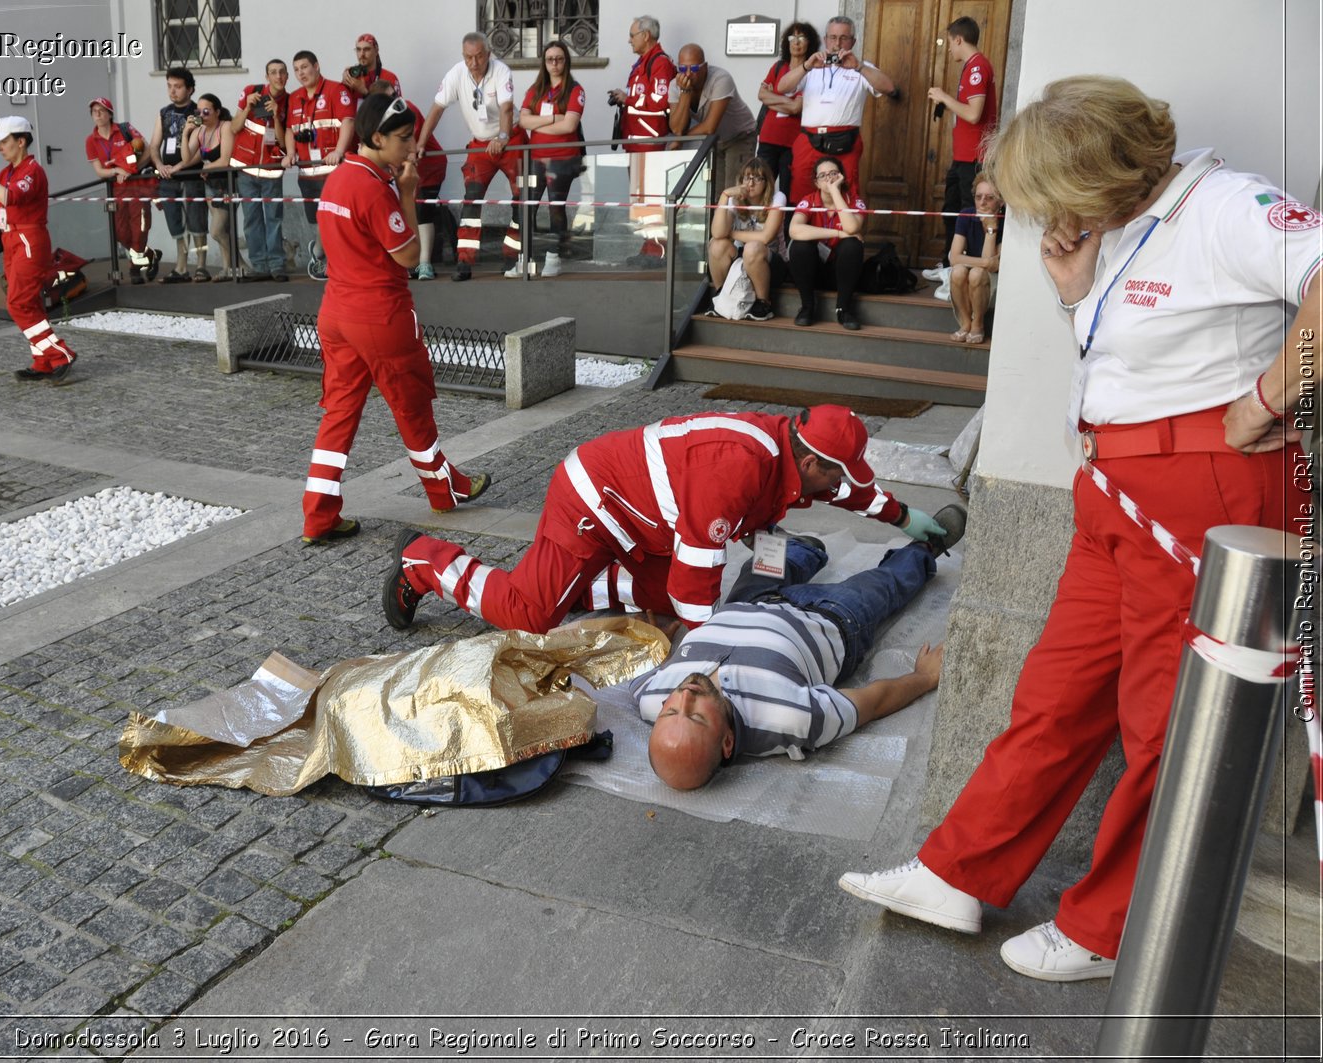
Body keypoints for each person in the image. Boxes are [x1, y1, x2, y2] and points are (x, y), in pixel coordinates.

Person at [840, 76, 1318, 984]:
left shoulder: (1225, 207)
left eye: (1052, 194)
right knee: (1057, 694)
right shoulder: (1123, 229)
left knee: (1162, 722)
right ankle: (960, 869)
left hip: (1199, 494)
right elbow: (1133, 357)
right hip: (1116, 492)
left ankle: (1111, 925)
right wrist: (1071, 291)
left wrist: (1268, 398)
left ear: (1101, 173)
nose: (1045, 215)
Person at [383, 405, 951, 634]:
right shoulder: (737, 468)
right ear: (809, 461)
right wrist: (705, 650)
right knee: (529, 614)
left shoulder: (789, 451)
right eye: (836, 473)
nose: (841, 484)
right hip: (592, 503)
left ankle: (574, 586)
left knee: (657, 595)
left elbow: (846, 489)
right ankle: (426, 561)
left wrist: (903, 516)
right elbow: (696, 577)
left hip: (643, 519)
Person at [638, 515, 964, 790]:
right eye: (696, 715)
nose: (685, 696)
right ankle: (926, 548)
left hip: (747, 600)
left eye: (670, 712)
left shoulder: (651, 697)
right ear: (727, 742)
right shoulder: (792, 720)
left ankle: (802, 549)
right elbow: (871, 702)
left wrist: (649, 636)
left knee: (765, 558)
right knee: (886, 582)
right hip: (831, 616)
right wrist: (924, 677)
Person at [301, 91, 491, 545]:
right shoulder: (372, 186)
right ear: (376, 137)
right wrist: (407, 192)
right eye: (404, 138)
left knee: (339, 413)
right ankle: (443, 489)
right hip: (380, 314)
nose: (411, 147)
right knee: (412, 404)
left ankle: (318, 515)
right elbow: (407, 256)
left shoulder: (339, 178)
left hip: (336, 311)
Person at [0, 116, 77, 381]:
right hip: (11, 241)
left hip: (28, 240)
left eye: (4, 141)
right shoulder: (9, 171)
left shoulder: (32, 170)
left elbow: (9, 197)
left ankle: (60, 354)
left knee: (17, 303)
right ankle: (43, 361)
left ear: (21, 141)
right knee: (30, 302)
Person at [416, 33, 518, 282]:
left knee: (521, 198)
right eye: (469, 57)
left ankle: (513, 257)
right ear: (463, 56)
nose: (474, 63)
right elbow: (436, 109)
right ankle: (464, 260)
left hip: (510, 140)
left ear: (488, 54)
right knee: (471, 200)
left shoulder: (501, 71)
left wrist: (503, 137)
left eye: (479, 56)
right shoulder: (456, 73)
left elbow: (506, 107)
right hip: (479, 145)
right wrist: (420, 143)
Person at [774, 16, 895, 207]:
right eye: (832, 37)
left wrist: (858, 66)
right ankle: (803, 235)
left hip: (844, 141)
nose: (837, 43)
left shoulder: (862, 67)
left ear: (853, 41)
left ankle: (843, 235)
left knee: (846, 193)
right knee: (802, 191)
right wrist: (806, 66)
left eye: (843, 38)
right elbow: (782, 87)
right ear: (825, 40)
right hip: (809, 139)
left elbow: (888, 87)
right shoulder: (811, 66)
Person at [926, 17, 997, 261]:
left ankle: (969, 266)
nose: (949, 48)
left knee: (971, 213)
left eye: (950, 42)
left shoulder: (978, 67)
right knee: (951, 211)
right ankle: (949, 263)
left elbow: (973, 114)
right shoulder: (969, 66)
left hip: (975, 157)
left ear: (958, 39)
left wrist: (944, 97)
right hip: (961, 156)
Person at [514, 40, 586, 279]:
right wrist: (556, 118)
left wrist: (541, 122)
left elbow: (570, 126)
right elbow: (523, 121)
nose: (554, 64)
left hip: (562, 159)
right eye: (549, 59)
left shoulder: (575, 90)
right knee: (527, 208)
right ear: (543, 63)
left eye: (559, 59)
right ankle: (525, 259)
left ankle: (554, 258)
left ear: (566, 61)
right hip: (535, 158)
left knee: (556, 207)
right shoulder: (535, 89)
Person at [285, 50, 358, 281]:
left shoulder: (336, 90)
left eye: (305, 67)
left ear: (316, 66)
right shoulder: (294, 97)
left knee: (334, 219)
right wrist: (290, 153)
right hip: (307, 173)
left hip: (334, 171)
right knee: (318, 221)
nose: (301, 73)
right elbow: (289, 130)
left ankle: (330, 261)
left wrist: (339, 150)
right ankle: (319, 252)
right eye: (296, 69)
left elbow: (348, 121)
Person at [611, 15, 677, 266]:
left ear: (646, 35)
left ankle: (659, 250)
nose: (629, 40)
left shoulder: (660, 63)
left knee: (652, 199)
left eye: (632, 35)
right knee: (641, 200)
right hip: (635, 142)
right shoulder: (641, 63)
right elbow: (642, 96)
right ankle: (648, 245)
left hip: (649, 142)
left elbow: (660, 103)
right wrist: (624, 95)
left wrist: (627, 99)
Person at [367, 81, 447, 281]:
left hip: (429, 166)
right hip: (407, 167)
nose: (396, 99)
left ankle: (425, 263)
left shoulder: (406, 109)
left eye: (395, 94)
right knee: (409, 209)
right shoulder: (382, 120)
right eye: (390, 97)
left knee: (423, 212)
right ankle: (412, 260)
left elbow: (410, 144)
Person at [84, 96, 162, 285]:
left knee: (140, 229)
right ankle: (149, 255)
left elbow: (147, 149)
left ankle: (134, 268)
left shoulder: (125, 129)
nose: (97, 113)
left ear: (110, 114)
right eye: (94, 111)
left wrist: (130, 171)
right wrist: (115, 170)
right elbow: (99, 171)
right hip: (116, 190)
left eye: (101, 110)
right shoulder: (91, 140)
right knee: (121, 233)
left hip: (137, 187)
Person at [667, 44, 757, 204]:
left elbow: (709, 126)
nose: (687, 74)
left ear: (705, 67)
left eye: (694, 69)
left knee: (734, 191)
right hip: (715, 141)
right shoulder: (676, 86)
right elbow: (677, 128)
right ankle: (716, 228)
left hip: (739, 136)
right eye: (682, 69)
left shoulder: (721, 79)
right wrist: (685, 93)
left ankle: (736, 228)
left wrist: (680, 139)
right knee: (715, 194)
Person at [786, 155, 866, 330]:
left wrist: (836, 192)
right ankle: (807, 307)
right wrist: (837, 232)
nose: (828, 178)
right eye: (823, 175)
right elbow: (794, 229)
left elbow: (852, 227)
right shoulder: (809, 199)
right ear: (816, 182)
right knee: (800, 245)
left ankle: (843, 309)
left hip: (841, 274)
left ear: (841, 177)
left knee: (852, 244)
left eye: (833, 173)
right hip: (813, 271)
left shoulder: (854, 200)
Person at [706, 156, 786, 322]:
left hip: (772, 260)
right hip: (742, 259)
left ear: (767, 182)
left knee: (753, 247)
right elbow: (718, 233)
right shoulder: (734, 199)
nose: (750, 183)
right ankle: (722, 296)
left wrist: (732, 234)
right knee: (716, 245)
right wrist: (725, 195)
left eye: (757, 178)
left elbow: (765, 237)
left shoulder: (777, 198)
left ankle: (763, 302)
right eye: (747, 177)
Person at [233, 59, 290, 281]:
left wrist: (276, 115)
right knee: (251, 220)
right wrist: (247, 106)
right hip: (246, 168)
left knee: (274, 219)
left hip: (272, 169)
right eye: (273, 73)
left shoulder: (290, 101)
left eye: (281, 72)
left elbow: (284, 142)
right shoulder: (251, 92)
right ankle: (259, 266)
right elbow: (235, 127)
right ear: (266, 76)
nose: (278, 76)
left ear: (286, 76)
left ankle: (277, 266)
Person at [147, 66, 206, 284]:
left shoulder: (198, 112)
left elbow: (199, 147)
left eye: (178, 87)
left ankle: (201, 264)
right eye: (170, 86)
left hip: (190, 175)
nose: (173, 91)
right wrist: (160, 164)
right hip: (168, 177)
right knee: (175, 224)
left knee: (196, 221)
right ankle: (181, 266)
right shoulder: (163, 113)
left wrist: (180, 166)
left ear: (190, 89)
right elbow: (154, 145)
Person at [185, 93, 250, 282]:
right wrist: (186, 132)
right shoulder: (200, 132)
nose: (202, 115)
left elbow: (225, 159)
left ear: (217, 112)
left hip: (226, 183)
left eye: (206, 111)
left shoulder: (226, 126)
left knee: (217, 231)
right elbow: (187, 158)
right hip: (211, 184)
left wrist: (207, 167)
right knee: (224, 231)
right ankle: (228, 268)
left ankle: (240, 266)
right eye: (199, 111)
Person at [756, 22, 818, 198]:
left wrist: (772, 100)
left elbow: (796, 107)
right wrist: (786, 102)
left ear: (809, 42)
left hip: (793, 142)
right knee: (761, 190)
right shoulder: (778, 67)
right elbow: (761, 94)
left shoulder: (812, 72)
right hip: (768, 138)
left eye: (801, 37)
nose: (796, 42)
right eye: (792, 37)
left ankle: (787, 226)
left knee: (787, 192)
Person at [947, 178, 1003, 343]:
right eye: (978, 197)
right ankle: (965, 323)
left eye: (989, 198)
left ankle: (977, 323)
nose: (982, 202)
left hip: (993, 278)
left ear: (1000, 202)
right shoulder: (966, 215)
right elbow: (955, 258)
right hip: (975, 269)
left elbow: (992, 268)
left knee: (977, 275)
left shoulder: (1007, 221)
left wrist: (991, 228)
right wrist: (985, 262)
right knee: (957, 272)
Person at [340, 32, 399, 99]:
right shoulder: (352, 77)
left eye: (366, 49)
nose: (362, 54)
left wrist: (364, 91)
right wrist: (343, 85)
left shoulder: (390, 77)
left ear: (376, 51)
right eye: (358, 49)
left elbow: (397, 108)